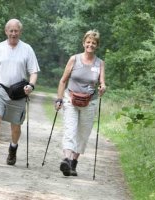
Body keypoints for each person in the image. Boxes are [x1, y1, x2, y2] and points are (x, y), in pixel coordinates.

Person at [0, 19, 40, 167]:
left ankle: (13, 148)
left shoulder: (27, 49)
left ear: (20, 32)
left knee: (16, 126)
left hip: (19, 92)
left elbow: (34, 72)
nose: (13, 33)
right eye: (11, 30)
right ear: (6, 31)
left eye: (16, 31)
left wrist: (31, 85)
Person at [55, 30, 106, 176]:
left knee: (83, 134)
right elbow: (63, 81)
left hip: (89, 102)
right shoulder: (74, 59)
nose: (90, 45)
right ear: (83, 43)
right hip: (71, 99)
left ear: (97, 45)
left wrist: (103, 88)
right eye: (88, 42)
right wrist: (59, 99)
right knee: (70, 129)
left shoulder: (100, 63)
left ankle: (73, 163)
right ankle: (66, 159)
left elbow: (102, 82)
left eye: (93, 43)